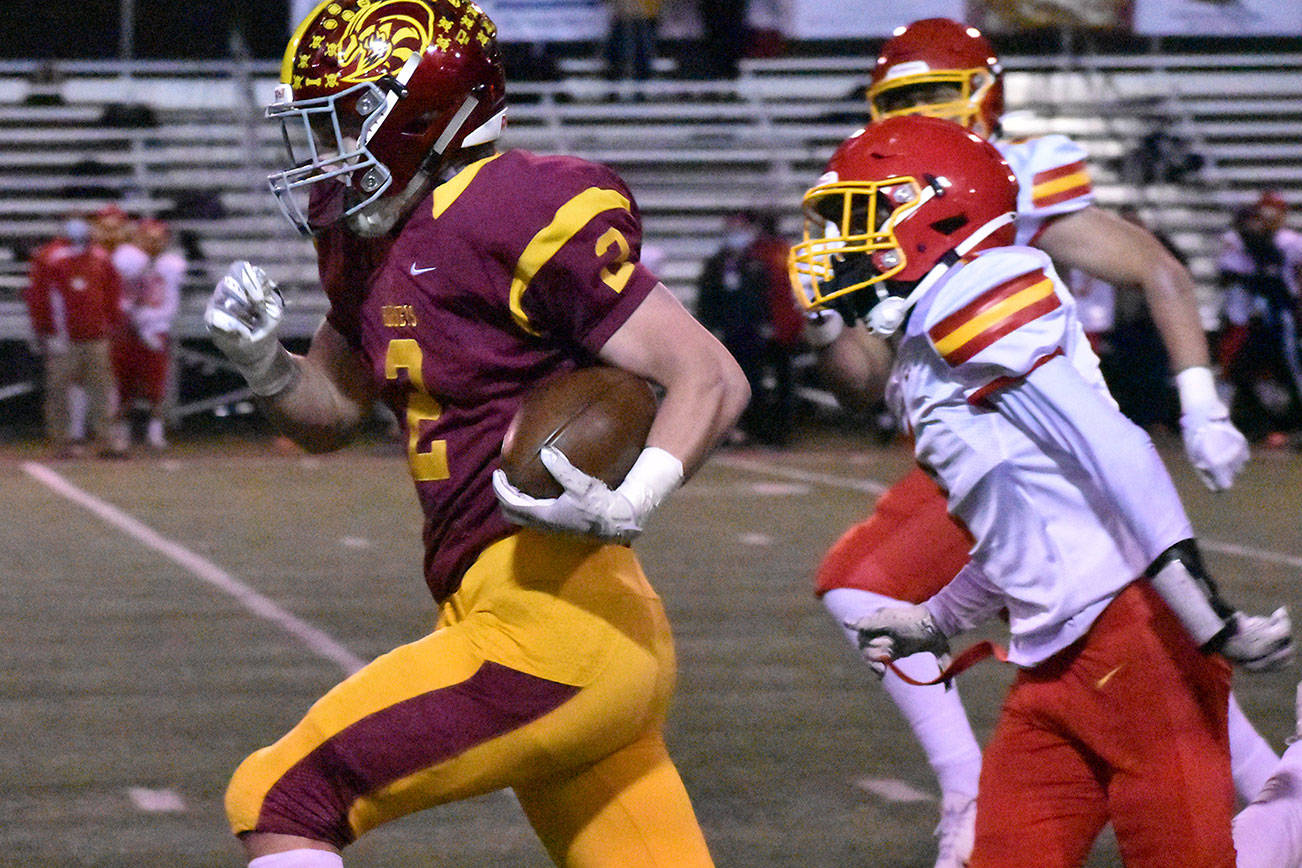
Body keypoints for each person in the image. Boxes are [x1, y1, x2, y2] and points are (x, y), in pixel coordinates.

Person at [204, 1, 749, 865]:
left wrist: (634, 495)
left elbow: (709, 373)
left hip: (552, 627)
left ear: (423, 110)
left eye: (346, 117)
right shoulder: (369, 241)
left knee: (283, 795)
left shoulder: (510, 208)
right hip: (561, 629)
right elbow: (329, 415)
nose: (327, 147)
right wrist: (262, 363)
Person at [804, 19, 1258, 864]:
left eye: (936, 97)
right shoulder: (919, 285)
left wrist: (1204, 406)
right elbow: (875, 387)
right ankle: (1274, 794)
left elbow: (1114, 440)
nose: (838, 240)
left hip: (1092, 555)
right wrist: (936, 620)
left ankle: (1273, 799)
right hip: (1050, 635)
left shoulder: (985, 274)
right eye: (901, 102)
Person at [22, 215, 123, 458]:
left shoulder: (100, 256)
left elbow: (112, 293)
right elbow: (39, 297)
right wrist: (45, 331)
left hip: (95, 334)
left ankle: (106, 439)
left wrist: (111, 324)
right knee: (59, 390)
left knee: (102, 388)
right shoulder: (49, 257)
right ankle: (62, 442)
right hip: (63, 336)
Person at [697, 210, 796, 445]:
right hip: (725, 334)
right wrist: (710, 328)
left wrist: (766, 325)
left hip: (750, 334)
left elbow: (764, 297)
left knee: (754, 384)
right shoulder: (716, 264)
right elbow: (707, 299)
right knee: (722, 385)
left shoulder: (756, 263)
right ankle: (725, 431)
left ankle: (756, 430)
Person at [1217, 191, 1302, 446]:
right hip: (1259, 317)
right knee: (1245, 370)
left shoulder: (1289, 241)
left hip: (1282, 312)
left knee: (1292, 369)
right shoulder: (1248, 240)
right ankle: (1265, 425)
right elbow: (1230, 274)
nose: (1264, 219)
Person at [107, 217, 185, 454]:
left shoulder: (172, 264)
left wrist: (149, 323)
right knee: (122, 383)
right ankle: (121, 431)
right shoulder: (126, 258)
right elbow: (117, 294)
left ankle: (155, 431)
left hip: (155, 331)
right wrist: (131, 318)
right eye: (148, 238)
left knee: (156, 385)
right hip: (126, 329)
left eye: (157, 238)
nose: (153, 243)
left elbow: (171, 303)